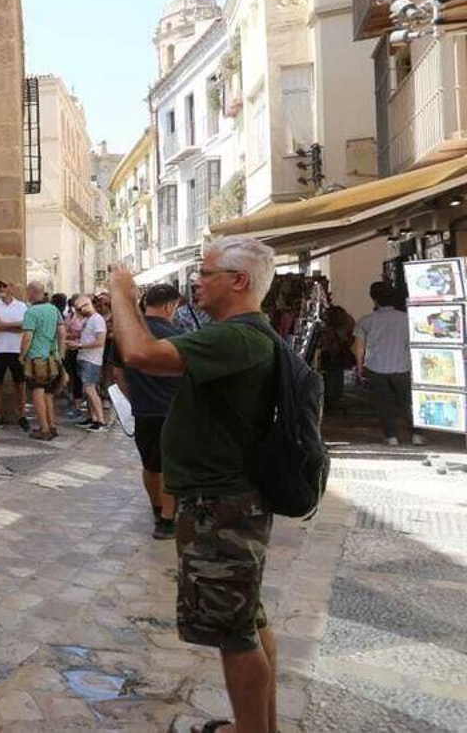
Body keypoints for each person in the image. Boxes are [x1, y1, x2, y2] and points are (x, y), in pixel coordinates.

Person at [110, 236, 282, 733]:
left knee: (234, 632)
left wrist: (123, 291)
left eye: (206, 273)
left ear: (239, 280)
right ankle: (258, 727)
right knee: (248, 617)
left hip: (221, 504)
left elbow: (140, 353)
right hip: (228, 498)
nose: (196, 282)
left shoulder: (237, 336)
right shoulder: (243, 334)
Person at [105, 283, 183, 540]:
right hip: (173, 410)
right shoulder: (178, 333)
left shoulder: (126, 335)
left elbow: (117, 374)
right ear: (170, 306)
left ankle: (157, 509)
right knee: (172, 466)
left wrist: (135, 397)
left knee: (151, 464)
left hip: (144, 410)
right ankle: (168, 519)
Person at [355, 282, 423, 446]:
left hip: (376, 368)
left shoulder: (366, 321)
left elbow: (359, 347)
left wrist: (359, 367)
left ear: (375, 299)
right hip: (403, 367)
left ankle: (392, 437)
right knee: (408, 403)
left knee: (383, 404)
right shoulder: (408, 319)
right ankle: (416, 435)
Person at [19, 281, 64, 441]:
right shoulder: (54, 310)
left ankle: (44, 429)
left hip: (36, 358)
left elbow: (28, 336)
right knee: (49, 393)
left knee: (37, 392)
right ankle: (52, 426)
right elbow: (61, 332)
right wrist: (61, 353)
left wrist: (21, 355)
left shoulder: (32, 312)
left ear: (31, 292)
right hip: (52, 357)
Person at [0, 281, 29, 431]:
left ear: (12, 288)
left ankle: (22, 415)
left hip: (17, 350)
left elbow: (25, 326)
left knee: (20, 384)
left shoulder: (22, 306)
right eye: (0, 287)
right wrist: (14, 326)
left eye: (4, 286)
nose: (1, 289)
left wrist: (3, 325)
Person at [73, 296, 108, 432]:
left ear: (87, 305)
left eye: (79, 309)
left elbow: (100, 341)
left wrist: (81, 346)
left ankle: (100, 420)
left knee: (90, 389)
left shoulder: (97, 320)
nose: (78, 311)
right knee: (87, 390)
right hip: (84, 357)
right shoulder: (88, 319)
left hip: (92, 359)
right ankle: (93, 417)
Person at [316, 305, 356, 413]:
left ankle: (329, 399)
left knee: (330, 377)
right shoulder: (347, 325)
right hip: (341, 356)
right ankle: (334, 398)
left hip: (330, 355)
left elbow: (324, 343)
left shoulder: (329, 330)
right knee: (336, 376)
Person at [62, 293, 86, 420]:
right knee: (70, 375)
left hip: (80, 350)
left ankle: (78, 405)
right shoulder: (70, 316)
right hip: (70, 350)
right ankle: (74, 400)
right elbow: (64, 331)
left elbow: (84, 334)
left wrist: (71, 335)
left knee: (79, 378)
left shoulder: (86, 319)